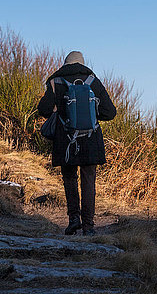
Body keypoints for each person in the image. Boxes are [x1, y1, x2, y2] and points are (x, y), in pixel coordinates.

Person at [37, 51, 116, 236]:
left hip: (65, 140)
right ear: (82, 63)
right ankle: (88, 226)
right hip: (91, 138)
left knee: (70, 179)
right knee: (89, 181)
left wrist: (60, 110)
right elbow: (110, 113)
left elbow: (43, 109)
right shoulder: (93, 81)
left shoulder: (55, 82)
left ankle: (74, 220)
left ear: (65, 64)